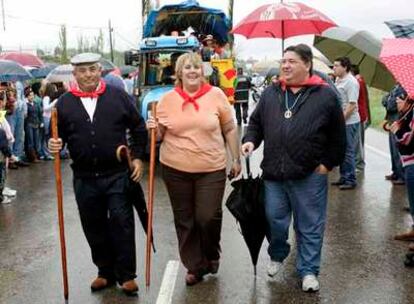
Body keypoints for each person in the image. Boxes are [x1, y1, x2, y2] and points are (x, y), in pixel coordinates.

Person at [241, 44, 346, 292]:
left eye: (292, 61)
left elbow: (339, 136)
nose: (285, 65)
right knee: (274, 220)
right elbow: (255, 124)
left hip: (309, 174)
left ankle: (309, 270)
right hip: (274, 175)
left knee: (309, 225)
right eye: (283, 60)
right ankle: (278, 252)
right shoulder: (271, 93)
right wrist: (250, 140)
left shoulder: (326, 95)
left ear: (307, 64)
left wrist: (327, 164)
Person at [48, 52, 147, 295]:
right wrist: (53, 144)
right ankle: (105, 271)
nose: (88, 74)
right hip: (84, 177)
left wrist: (137, 158)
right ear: (75, 74)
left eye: (92, 69)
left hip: (117, 175)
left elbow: (139, 127)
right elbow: (53, 136)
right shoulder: (64, 103)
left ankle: (126, 275)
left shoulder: (118, 97)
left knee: (122, 223)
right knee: (93, 225)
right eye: (83, 71)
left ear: (99, 71)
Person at [146, 52, 241, 286]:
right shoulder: (167, 100)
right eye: (187, 67)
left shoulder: (216, 95)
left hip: (211, 167)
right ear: (179, 72)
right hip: (175, 168)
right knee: (184, 219)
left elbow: (229, 128)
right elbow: (159, 137)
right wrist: (153, 128)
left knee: (208, 216)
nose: (192, 71)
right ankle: (195, 266)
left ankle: (211, 254)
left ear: (203, 71)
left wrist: (235, 158)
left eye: (196, 67)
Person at [332, 57, 360, 190]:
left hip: (349, 122)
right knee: (342, 150)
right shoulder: (338, 80)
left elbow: (352, 105)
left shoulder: (351, 82)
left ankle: (350, 179)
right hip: (342, 121)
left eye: (336, 66)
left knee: (348, 151)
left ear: (345, 67)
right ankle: (344, 176)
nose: (334, 68)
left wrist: (340, 121)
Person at [390, 90, 414, 243]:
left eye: (400, 99)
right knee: (412, 199)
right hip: (408, 161)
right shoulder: (408, 114)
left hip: (412, 161)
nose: (397, 102)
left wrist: (397, 131)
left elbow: (408, 138)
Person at [382, 84, 406, 185]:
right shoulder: (395, 87)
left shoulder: (403, 88)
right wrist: (388, 100)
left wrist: (388, 100)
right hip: (392, 120)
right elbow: (384, 100)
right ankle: (395, 172)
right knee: (392, 148)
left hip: (397, 120)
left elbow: (392, 105)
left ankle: (401, 175)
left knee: (397, 149)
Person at [351, 65, 370, 173]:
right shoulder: (359, 80)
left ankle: (359, 164)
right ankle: (357, 163)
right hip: (360, 114)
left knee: (357, 142)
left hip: (359, 114)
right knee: (357, 141)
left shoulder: (358, 81)